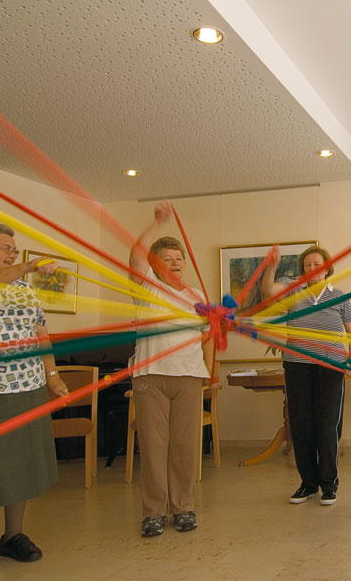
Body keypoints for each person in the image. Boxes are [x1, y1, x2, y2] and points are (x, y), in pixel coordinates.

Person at [0, 222, 68, 576]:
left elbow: (41, 335)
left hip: (27, 388)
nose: (13, 255)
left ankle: (12, 535)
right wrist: (31, 264)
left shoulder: (25, 290)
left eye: (15, 251)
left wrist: (53, 376)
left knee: (21, 463)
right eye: (5, 248)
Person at [129, 202, 214, 538]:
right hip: (151, 376)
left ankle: (183, 508)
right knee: (153, 446)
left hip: (189, 376)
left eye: (179, 259)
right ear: (155, 265)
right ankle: (153, 512)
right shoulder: (146, 286)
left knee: (183, 446)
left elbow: (207, 335)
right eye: (168, 259)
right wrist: (157, 223)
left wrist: (208, 369)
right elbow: (136, 254)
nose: (176, 263)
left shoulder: (196, 297)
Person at [262, 245, 351, 506]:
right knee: (301, 423)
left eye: (316, 265)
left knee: (326, 425)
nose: (311, 270)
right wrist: (271, 265)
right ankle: (307, 483)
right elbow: (268, 293)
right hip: (297, 365)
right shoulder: (293, 293)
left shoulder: (339, 296)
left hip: (331, 365)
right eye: (306, 266)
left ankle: (329, 484)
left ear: (327, 268)